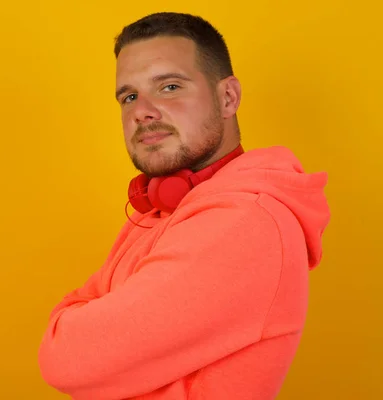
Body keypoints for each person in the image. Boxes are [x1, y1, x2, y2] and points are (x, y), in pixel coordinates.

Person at [37, 11, 330, 400]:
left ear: (228, 97)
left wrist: (88, 318)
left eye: (170, 87)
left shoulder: (245, 221)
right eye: (129, 96)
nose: (142, 111)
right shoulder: (162, 210)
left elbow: (65, 357)